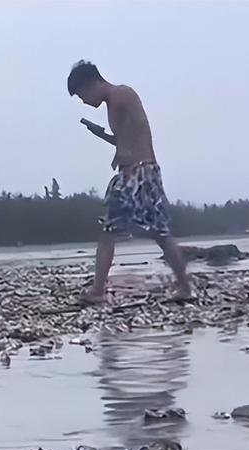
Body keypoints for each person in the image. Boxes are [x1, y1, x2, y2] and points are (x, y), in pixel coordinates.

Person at [67, 61, 191, 303]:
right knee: (127, 231)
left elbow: (140, 126)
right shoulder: (114, 102)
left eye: (82, 95)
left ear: (92, 84)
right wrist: (109, 139)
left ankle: (98, 291)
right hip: (138, 173)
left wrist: (124, 150)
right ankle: (182, 286)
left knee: (145, 233)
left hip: (140, 174)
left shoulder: (121, 94)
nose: (84, 101)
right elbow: (128, 135)